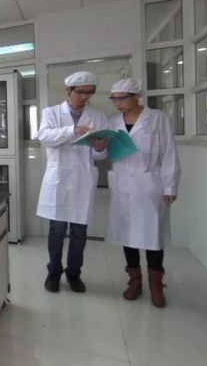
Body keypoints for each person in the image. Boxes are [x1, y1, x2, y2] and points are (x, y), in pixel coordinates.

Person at [106, 78, 180, 308]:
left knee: (152, 236)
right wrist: (99, 147)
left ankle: (156, 284)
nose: (117, 103)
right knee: (128, 235)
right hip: (122, 186)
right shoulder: (113, 122)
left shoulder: (157, 118)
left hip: (150, 185)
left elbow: (169, 153)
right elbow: (106, 153)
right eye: (114, 98)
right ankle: (134, 280)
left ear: (137, 96)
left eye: (122, 98)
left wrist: (170, 186)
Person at [37, 71, 108, 293]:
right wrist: (73, 130)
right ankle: (54, 272)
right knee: (57, 231)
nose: (85, 97)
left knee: (79, 233)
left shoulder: (98, 116)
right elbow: (45, 137)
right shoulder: (51, 113)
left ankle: (74, 274)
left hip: (83, 181)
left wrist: (100, 148)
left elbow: (99, 155)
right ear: (68, 90)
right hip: (59, 179)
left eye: (89, 92)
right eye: (80, 92)